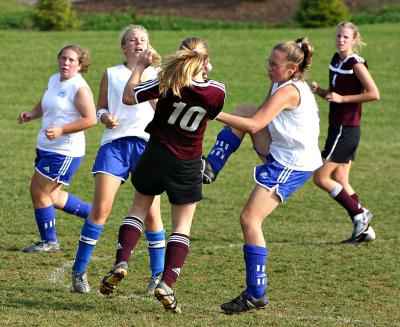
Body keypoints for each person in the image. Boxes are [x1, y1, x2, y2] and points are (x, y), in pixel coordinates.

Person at [100, 36, 225, 313]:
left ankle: (122, 262)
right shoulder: (218, 91)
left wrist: (141, 66)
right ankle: (166, 283)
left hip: (155, 154)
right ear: (204, 61)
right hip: (187, 162)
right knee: (182, 226)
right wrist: (204, 70)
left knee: (137, 210)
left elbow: (129, 96)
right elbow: (211, 111)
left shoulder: (167, 80)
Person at [204, 38, 322, 313]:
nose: (268, 67)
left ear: (292, 68)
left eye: (274, 64)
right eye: (268, 61)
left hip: (291, 163)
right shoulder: (280, 84)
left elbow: (256, 125)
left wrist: (215, 113)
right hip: (279, 151)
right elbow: (256, 116)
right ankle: (210, 167)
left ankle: (256, 293)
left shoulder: (290, 91)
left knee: (249, 218)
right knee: (244, 108)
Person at [71, 25, 166, 294]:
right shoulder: (111, 74)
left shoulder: (157, 75)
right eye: (132, 40)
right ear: (124, 47)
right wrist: (104, 117)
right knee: (100, 210)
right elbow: (101, 106)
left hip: (148, 147)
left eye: (143, 39)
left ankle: (157, 276)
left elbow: (165, 112)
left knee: (152, 215)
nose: (138, 43)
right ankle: (79, 271)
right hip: (115, 146)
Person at [18, 45, 96, 253]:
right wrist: (31, 115)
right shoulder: (54, 79)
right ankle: (95, 214)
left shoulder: (79, 88)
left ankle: (49, 242)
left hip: (64, 152)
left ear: (80, 65)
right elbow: (46, 102)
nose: (66, 63)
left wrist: (62, 130)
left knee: (39, 190)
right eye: (63, 58)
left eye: (71, 60)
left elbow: (90, 119)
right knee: (51, 196)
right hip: (46, 147)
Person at [310, 21, 380, 243]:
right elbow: (335, 94)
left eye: (346, 37)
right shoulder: (335, 60)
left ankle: (360, 213)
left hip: (347, 128)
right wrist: (319, 91)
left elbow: (373, 93)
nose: (341, 40)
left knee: (321, 177)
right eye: (339, 36)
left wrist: (343, 99)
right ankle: (365, 230)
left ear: (354, 40)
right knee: (340, 178)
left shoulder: (356, 64)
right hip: (337, 127)